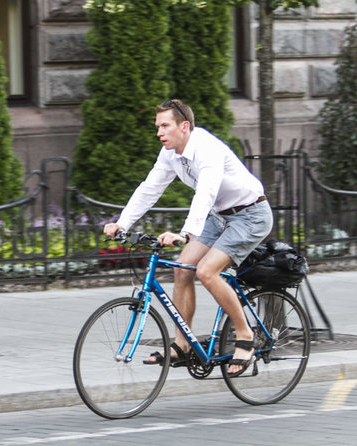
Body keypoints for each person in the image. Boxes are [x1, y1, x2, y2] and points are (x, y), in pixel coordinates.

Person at [103, 99, 273, 376]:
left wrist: (186, 233)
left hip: (250, 215)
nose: (159, 132)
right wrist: (121, 223)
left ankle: (245, 335)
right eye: (157, 126)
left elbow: (206, 191)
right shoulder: (170, 153)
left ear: (184, 126)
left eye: (165, 125)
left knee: (207, 272)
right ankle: (182, 344)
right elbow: (150, 188)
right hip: (220, 217)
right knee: (183, 270)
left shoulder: (207, 149)